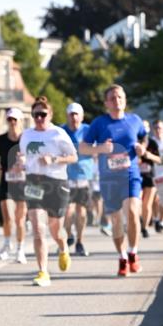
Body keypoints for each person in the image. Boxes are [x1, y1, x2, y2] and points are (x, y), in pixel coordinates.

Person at [79, 84, 148, 276]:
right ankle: (122, 256)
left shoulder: (135, 120)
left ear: (124, 100)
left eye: (119, 97)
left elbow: (144, 137)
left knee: (132, 211)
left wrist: (142, 147)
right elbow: (83, 148)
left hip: (130, 174)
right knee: (117, 219)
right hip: (109, 179)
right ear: (106, 103)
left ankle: (133, 253)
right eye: (112, 98)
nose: (116, 101)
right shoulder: (99, 123)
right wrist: (100, 149)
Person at [18, 96, 77, 287]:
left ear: (50, 115)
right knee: (37, 228)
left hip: (56, 183)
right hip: (34, 182)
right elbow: (24, 157)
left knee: (55, 229)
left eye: (43, 114)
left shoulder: (58, 133)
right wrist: (21, 163)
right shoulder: (26, 135)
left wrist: (55, 160)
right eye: (36, 115)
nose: (39, 118)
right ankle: (43, 272)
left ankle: (63, 247)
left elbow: (73, 157)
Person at [0, 108, 28, 263]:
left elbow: (35, 157)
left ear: (20, 121)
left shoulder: (26, 139)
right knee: (8, 217)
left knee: (20, 220)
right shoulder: (1, 139)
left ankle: (20, 249)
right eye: (9, 119)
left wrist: (25, 162)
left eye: (15, 119)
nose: (12, 122)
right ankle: (7, 244)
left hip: (23, 183)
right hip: (7, 182)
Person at [61, 102, 94, 257]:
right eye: (71, 114)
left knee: (81, 212)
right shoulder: (61, 131)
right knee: (68, 212)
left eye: (76, 114)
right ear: (67, 116)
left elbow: (98, 148)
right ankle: (69, 236)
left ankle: (80, 242)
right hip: (66, 177)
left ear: (81, 116)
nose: (74, 117)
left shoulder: (88, 130)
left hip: (84, 176)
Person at [137, 119, 162, 237]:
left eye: (146, 127)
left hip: (149, 176)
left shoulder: (152, 143)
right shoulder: (134, 141)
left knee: (147, 204)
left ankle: (145, 227)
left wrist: (149, 155)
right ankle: (139, 219)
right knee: (137, 201)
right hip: (137, 176)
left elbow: (160, 159)